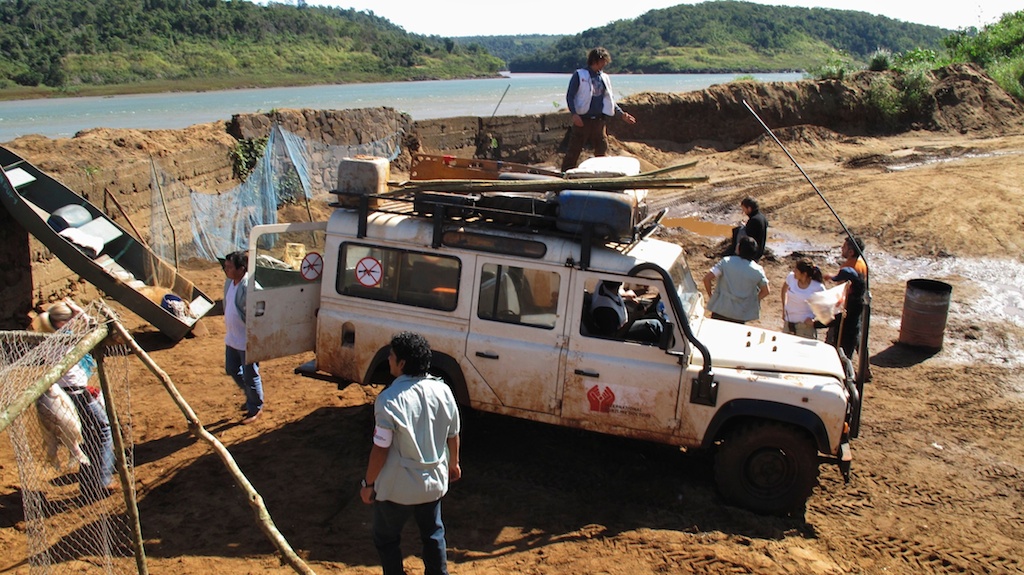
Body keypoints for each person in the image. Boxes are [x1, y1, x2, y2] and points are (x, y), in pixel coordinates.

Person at [361, 332, 461, 575]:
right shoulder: (443, 391)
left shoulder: (388, 400)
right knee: (433, 534)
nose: (389, 361)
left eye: (392, 356)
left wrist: (369, 483)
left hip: (398, 488)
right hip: (433, 482)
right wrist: (454, 465)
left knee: (386, 538)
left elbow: (381, 449)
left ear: (402, 364)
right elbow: (453, 433)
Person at [36, 300, 116, 496]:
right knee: (104, 430)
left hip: (64, 393)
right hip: (76, 394)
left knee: (88, 437)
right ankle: (102, 481)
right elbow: (95, 331)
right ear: (63, 323)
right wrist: (81, 313)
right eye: (71, 319)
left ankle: (89, 485)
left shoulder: (47, 337)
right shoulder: (65, 339)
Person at [560, 47, 637, 172]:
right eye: (603, 61)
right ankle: (564, 176)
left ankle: (601, 176)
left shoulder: (604, 77)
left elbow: (610, 100)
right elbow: (570, 96)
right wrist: (574, 114)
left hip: (599, 121)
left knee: (602, 149)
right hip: (582, 120)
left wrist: (622, 115)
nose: (605, 64)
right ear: (596, 60)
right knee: (573, 151)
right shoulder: (580, 75)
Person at [222, 250, 264, 424]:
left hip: (246, 340)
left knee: (250, 374)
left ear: (242, 269)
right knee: (232, 369)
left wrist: (255, 330)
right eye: (226, 267)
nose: (227, 270)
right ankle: (251, 395)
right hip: (233, 337)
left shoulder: (249, 286)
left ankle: (256, 407)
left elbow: (261, 306)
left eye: (230, 267)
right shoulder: (229, 283)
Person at [703, 236, 770, 324]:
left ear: (739, 248)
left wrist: (711, 296)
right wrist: (753, 301)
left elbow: (707, 279)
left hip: (721, 309)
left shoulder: (726, 262)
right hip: (741, 314)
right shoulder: (758, 270)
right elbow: (766, 291)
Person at [825, 237, 868, 359]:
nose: (841, 249)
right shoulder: (862, 264)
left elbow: (841, 288)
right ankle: (865, 369)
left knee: (834, 338)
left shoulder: (848, 266)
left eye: (844, 247)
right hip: (857, 306)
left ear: (851, 252)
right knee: (858, 337)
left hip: (846, 307)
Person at [589, 280, 663, 344]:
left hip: (622, 322)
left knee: (653, 316)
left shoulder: (603, 286)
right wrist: (633, 317)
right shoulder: (606, 310)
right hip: (620, 336)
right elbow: (612, 338)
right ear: (621, 282)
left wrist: (625, 294)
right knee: (654, 325)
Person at [781, 258, 826, 339]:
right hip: (788, 324)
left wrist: (815, 321)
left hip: (805, 328)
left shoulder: (817, 287)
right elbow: (783, 290)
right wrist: (784, 308)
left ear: (804, 274)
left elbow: (826, 307)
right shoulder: (791, 277)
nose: (794, 271)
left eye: (796, 270)